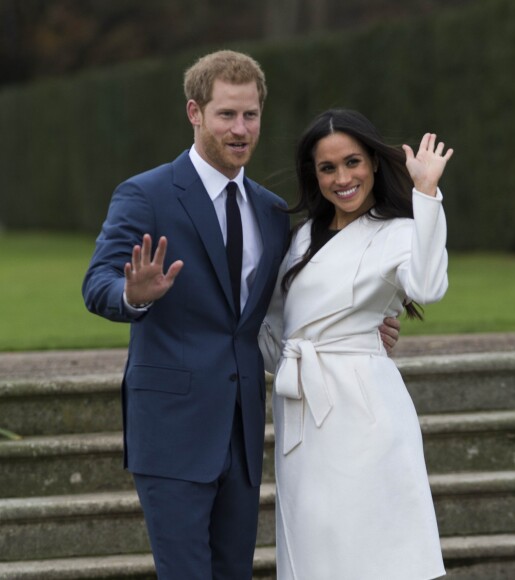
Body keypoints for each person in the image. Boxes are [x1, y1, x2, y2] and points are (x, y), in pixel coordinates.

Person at [82, 51, 401, 579]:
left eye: (250, 115)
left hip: (243, 430)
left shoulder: (272, 210)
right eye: (226, 114)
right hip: (172, 431)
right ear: (195, 113)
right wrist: (134, 294)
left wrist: (361, 328)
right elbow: (97, 285)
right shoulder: (146, 194)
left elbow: (290, 309)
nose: (240, 128)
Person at [259, 109, 453, 579]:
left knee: (372, 543)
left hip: (364, 411)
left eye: (353, 162)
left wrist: (425, 193)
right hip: (301, 408)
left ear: (372, 163)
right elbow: (277, 336)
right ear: (314, 174)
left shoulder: (398, 231)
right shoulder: (301, 238)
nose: (342, 178)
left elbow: (426, 287)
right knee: (313, 542)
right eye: (328, 168)